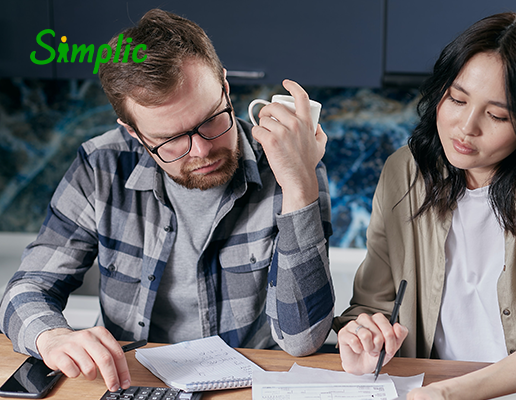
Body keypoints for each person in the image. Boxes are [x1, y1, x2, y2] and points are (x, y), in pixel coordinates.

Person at [0, 9, 334, 393]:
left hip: (246, 388)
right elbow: (26, 289)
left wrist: (298, 185)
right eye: (172, 139)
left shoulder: (291, 164)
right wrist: (52, 337)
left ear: (225, 87)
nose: (203, 150)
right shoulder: (101, 166)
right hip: (134, 384)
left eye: (211, 119)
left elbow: (303, 339)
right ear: (134, 132)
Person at [334, 12, 516, 400]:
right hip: (426, 387)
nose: (466, 127)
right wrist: (364, 340)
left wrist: (452, 393)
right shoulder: (404, 172)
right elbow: (373, 305)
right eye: (457, 99)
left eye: (497, 115)